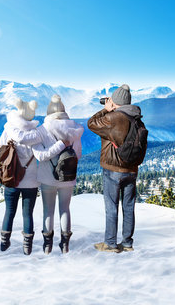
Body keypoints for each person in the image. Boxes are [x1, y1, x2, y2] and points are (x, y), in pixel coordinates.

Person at [0, 98, 65, 255]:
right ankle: (28, 247)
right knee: (28, 214)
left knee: (9, 212)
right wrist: (61, 144)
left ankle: (4, 244)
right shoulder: (36, 135)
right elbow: (43, 155)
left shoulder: (9, 131)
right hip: (31, 182)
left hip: (11, 179)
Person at [87, 84, 142, 253]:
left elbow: (92, 124)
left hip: (113, 169)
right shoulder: (137, 118)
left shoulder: (114, 118)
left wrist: (105, 110)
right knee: (128, 207)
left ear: (115, 101)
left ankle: (110, 243)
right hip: (131, 169)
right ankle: (127, 243)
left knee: (111, 207)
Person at [32, 95, 84, 254]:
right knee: (65, 209)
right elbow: (78, 154)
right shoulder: (74, 130)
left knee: (48, 210)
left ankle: (47, 246)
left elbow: (41, 156)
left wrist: (57, 146)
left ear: (48, 113)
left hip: (48, 177)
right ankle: (65, 245)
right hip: (68, 177)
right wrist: (64, 147)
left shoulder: (41, 130)